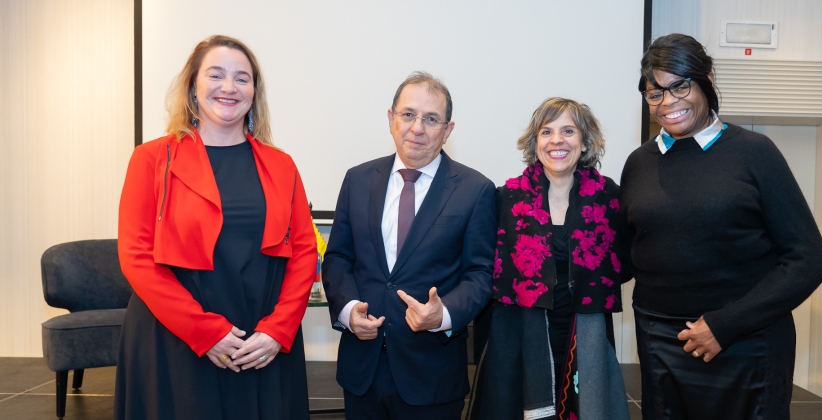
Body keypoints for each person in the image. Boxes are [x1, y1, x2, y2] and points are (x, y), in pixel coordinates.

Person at [619, 33, 822, 420]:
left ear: (708, 80)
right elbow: (624, 257)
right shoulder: (639, 163)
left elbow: (808, 260)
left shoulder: (755, 153)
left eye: (679, 86)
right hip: (661, 344)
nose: (667, 102)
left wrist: (724, 324)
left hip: (747, 343)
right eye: (654, 93)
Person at [115, 35, 316, 420]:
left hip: (260, 341)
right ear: (193, 86)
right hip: (174, 337)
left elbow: (305, 253)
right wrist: (204, 332)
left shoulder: (282, 164)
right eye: (216, 75)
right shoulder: (150, 159)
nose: (229, 87)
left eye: (242, 78)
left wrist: (277, 330)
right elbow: (136, 257)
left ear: (254, 92)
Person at [322, 71, 497, 419]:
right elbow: (338, 257)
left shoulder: (475, 190)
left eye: (431, 119)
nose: (417, 128)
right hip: (362, 369)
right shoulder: (357, 179)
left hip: (431, 372)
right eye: (408, 114)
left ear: (447, 130)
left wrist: (443, 314)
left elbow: (480, 274)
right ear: (391, 119)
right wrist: (348, 308)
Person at [467, 98, 630, 420]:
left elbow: (626, 260)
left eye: (568, 130)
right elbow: (482, 265)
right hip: (518, 336)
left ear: (584, 141)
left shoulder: (610, 197)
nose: (557, 140)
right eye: (547, 132)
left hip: (586, 331)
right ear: (536, 142)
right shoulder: (505, 198)